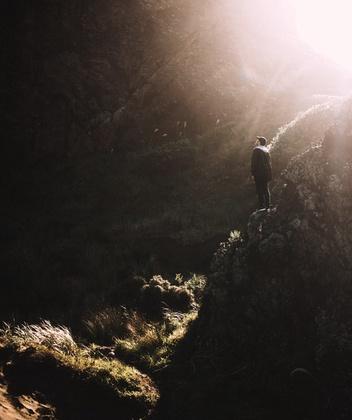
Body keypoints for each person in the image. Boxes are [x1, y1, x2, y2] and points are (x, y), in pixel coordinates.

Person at [251, 136, 272, 210]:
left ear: (259, 142)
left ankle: (261, 206)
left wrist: (253, 173)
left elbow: (254, 163)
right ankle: (268, 205)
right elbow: (269, 163)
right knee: (266, 189)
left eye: (257, 140)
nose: (256, 142)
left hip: (258, 173)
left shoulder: (256, 150)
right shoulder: (267, 150)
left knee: (259, 189)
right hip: (266, 173)